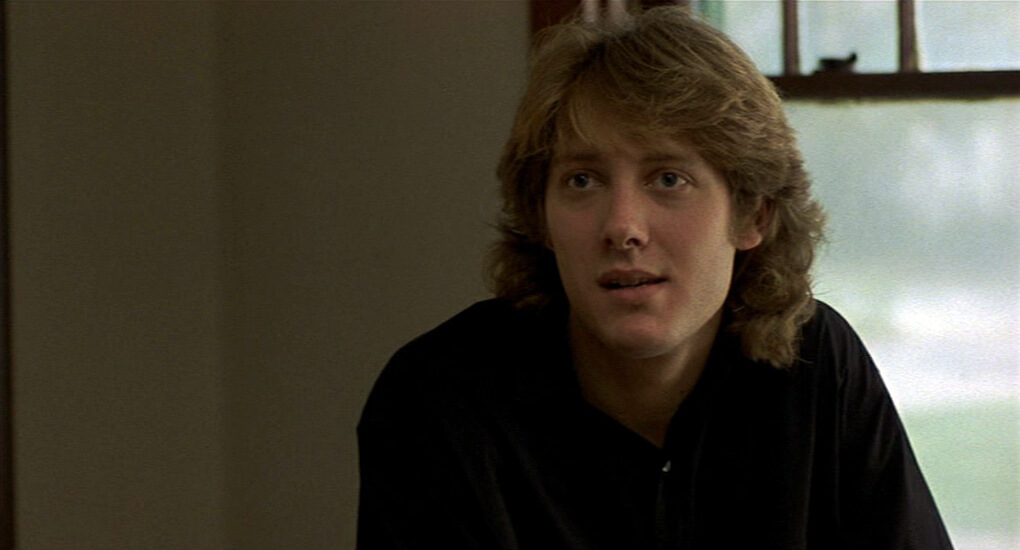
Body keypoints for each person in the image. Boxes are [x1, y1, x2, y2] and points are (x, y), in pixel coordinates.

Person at [357, 6, 953, 549]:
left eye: (669, 179)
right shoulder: (438, 399)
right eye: (582, 180)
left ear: (753, 215)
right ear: (541, 217)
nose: (623, 227)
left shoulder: (816, 364)